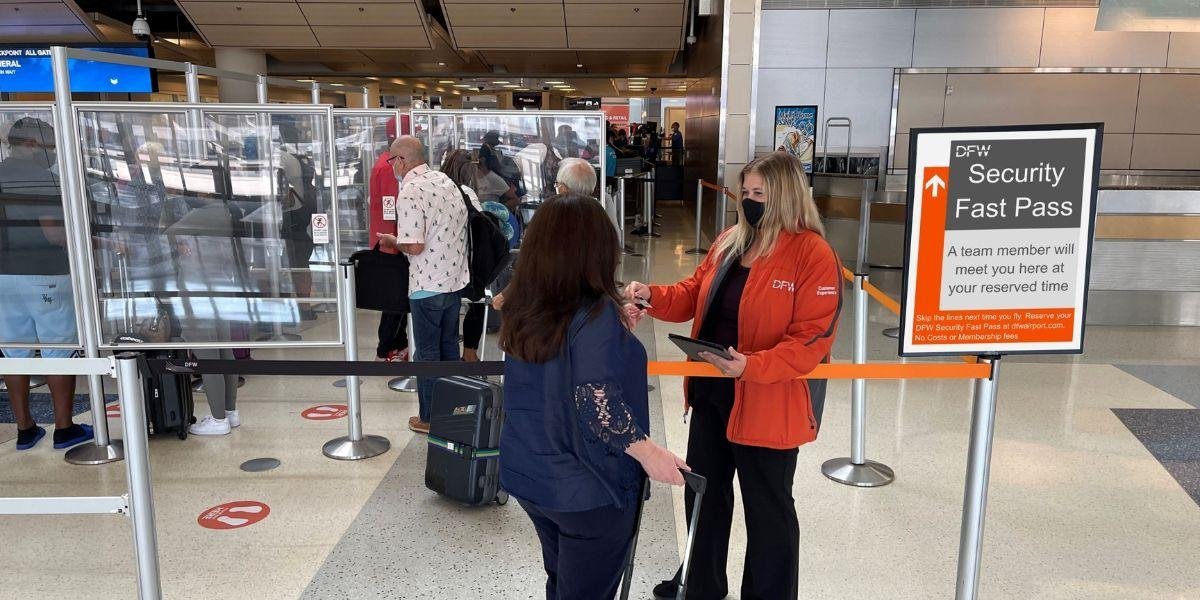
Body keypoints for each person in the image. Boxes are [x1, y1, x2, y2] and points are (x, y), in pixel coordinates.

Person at [625, 152, 842, 600]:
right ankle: (700, 583)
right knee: (704, 495)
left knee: (769, 509)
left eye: (759, 194)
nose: (749, 201)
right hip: (712, 392)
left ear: (785, 196)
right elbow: (691, 294)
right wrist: (652, 297)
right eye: (745, 193)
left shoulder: (812, 254)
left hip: (769, 401)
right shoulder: (732, 241)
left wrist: (752, 366)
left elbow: (811, 341)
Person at [499, 193, 688, 600]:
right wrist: (651, 454)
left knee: (563, 580)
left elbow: (561, 367)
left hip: (531, 474)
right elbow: (597, 405)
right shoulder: (596, 315)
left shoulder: (522, 305)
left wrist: (613, 334)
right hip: (588, 488)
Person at [0, 117, 93, 450]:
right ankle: (65, 428)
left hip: (2, 278)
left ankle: (25, 429)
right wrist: (86, 242)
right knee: (58, 349)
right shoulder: (42, 180)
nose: (53, 154)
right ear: (31, 145)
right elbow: (54, 234)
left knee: (14, 352)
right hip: (44, 275)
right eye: (50, 147)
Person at [377, 136, 469, 434]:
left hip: (427, 285)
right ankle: (454, 412)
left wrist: (393, 241)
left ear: (401, 161)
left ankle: (430, 418)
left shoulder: (411, 190)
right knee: (448, 350)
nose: (392, 167)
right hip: (454, 281)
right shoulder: (445, 181)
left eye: (393, 161)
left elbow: (414, 246)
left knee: (427, 354)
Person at [439, 150, 516, 362]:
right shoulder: (467, 193)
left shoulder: (438, 191)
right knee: (475, 302)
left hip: (441, 264)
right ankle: (470, 353)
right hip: (467, 262)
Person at [367, 117, 410, 363]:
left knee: (397, 301)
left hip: (391, 241)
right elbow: (394, 208)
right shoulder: (388, 168)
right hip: (391, 244)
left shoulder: (385, 164)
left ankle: (398, 344)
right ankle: (385, 350)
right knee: (395, 302)